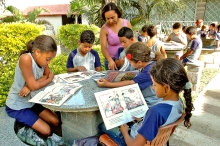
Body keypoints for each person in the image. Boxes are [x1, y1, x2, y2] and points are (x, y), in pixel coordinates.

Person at [119, 58, 194, 146]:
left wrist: (124, 132)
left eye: (154, 84)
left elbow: (135, 145)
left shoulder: (156, 111)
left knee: (102, 127)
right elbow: (161, 122)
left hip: (135, 140)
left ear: (166, 88)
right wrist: (143, 120)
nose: (153, 87)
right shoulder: (179, 102)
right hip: (155, 140)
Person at [5, 35, 63, 145]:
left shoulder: (42, 62)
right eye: (48, 59)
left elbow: (46, 75)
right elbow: (46, 78)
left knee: (55, 121)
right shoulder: (26, 59)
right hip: (18, 105)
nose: (49, 62)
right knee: (47, 130)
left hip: (31, 102)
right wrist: (46, 80)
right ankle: (39, 134)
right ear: (37, 52)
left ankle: (45, 134)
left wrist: (32, 85)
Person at [97, 42, 163, 107]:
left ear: (139, 62)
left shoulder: (149, 70)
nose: (130, 64)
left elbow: (131, 83)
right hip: (147, 98)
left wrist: (107, 84)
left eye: (130, 62)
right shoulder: (148, 63)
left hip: (152, 103)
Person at [100, 2, 132, 70]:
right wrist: (110, 60)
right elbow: (103, 48)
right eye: (108, 18)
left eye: (112, 17)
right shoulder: (104, 29)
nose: (110, 21)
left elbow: (132, 40)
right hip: (112, 61)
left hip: (126, 59)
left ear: (117, 13)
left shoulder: (126, 23)